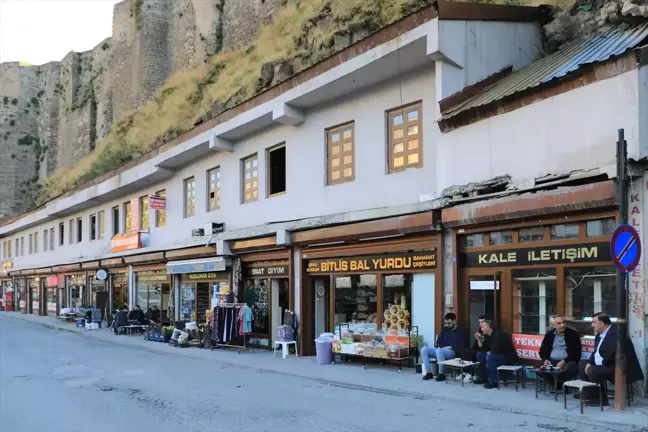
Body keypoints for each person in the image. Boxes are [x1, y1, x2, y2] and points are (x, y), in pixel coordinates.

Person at [577, 312, 645, 406]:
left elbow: (611, 355)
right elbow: (595, 352)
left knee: (593, 370)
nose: (592, 325)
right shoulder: (600, 335)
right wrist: (590, 362)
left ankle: (601, 399)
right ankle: (590, 396)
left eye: (594, 322)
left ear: (601, 323)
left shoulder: (614, 334)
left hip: (617, 367)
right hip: (606, 364)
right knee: (582, 364)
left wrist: (595, 364)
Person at [421, 313, 467, 382]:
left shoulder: (461, 331)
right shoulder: (445, 329)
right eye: (446, 323)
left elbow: (460, 345)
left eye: (449, 323)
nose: (447, 325)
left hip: (452, 352)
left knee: (439, 351)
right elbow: (438, 342)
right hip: (441, 350)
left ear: (454, 321)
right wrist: (442, 347)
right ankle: (428, 372)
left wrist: (447, 347)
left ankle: (442, 374)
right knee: (424, 349)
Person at [537, 314, 581, 388]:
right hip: (551, 361)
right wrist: (545, 360)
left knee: (570, 368)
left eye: (563, 322)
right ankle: (557, 384)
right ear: (554, 326)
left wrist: (563, 361)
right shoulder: (549, 335)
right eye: (559, 323)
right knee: (538, 367)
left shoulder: (572, 334)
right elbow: (542, 351)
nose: (562, 325)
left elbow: (576, 353)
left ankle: (561, 384)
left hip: (567, 361)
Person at [474, 320, 518, 389]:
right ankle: (483, 377)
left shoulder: (498, 334)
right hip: (497, 355)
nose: (481, 329)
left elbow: (497, 349)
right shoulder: (487, 336)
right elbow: (484, 349)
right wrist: (479, 340)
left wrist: (489, 352)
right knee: (480, 355)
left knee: (491, 357)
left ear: (488, 327)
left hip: (508, 358)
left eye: (482, 327)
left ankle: (494, 381)